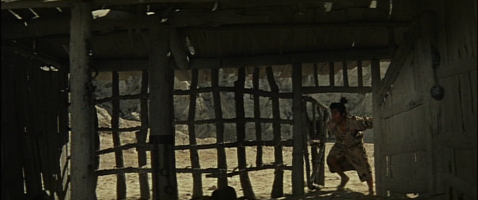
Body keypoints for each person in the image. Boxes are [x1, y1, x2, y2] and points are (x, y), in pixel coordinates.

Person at [326, 97, 374, 195]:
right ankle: (344, 177)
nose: (334, 116)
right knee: (331, 159)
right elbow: (324, 133)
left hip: (355, 147)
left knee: (364, 168)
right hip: (340, 146)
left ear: (342, 114)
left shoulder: (353, 121)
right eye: (332, 113)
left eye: (336, 113)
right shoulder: (332, 124)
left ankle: (371, 190)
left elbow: (369, 122)